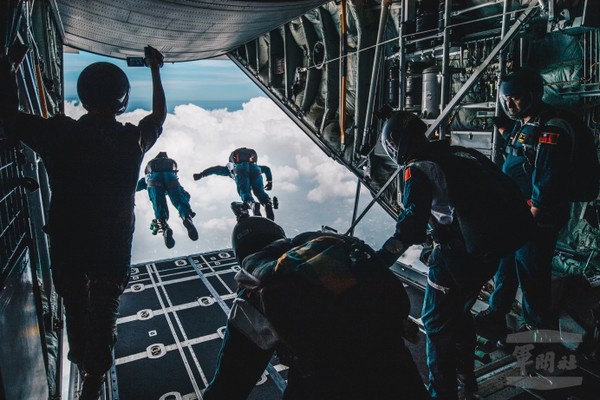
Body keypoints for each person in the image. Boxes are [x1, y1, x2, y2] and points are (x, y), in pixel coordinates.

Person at [1, 47, 166, 400]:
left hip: (70, 243)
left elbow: (8, 116)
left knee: (75, 305)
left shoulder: (58, 134)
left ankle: (87, 366)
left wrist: (10, 69)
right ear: (121, 104)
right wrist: (155, 70)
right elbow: (158, 116)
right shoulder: (131, 140)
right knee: (102, 305)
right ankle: (93, 375)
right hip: (111, 246)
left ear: (84, 96)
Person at [377, 111, 531, 400]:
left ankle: (442, 394)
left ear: (396, 144)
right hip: (487, 255)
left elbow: (410, 228)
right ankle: (467, 382)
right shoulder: (460, 154)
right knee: (458, 315)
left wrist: (381, 259)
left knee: (436, 325)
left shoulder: (419, 169)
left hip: (455, 260)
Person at [203, 207, 429, 400]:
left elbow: (232, 379)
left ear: (241, 255)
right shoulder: (333, 247)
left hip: (327, 382)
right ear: (278, 233)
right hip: (393, 362)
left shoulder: (254, 285)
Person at [475, 68, 574, 333]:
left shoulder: (551, 126)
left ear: (534, 94)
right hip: (517, 213)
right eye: (506, 99)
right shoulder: (526, 124)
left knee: (532, 274)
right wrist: (506, 130)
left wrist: (535, 214)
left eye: (516, 98)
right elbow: (523, 153)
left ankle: (535, 329)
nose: (509, 104)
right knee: (505, 264)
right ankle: (496, 312)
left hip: (536, 216)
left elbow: (547, 174)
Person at [194, 147, 276, 220]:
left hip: (240, 170)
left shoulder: (230, 169)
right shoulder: (256, 166)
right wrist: (270, 181)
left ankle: (251, 203)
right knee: (259, 192)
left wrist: (201, 174)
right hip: (256, 169)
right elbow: (267, 169)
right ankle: (267, 203)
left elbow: (215, 169)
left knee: (244, 191)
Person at [136, 151, 198, 249]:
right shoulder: (170, 169)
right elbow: (185, 195)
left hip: (153, 180)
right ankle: (187, 218)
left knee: (159, 205)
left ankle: (164, 226)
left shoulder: (147, 177)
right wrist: (186, 204)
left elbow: (133, 187)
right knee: (180, 201)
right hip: (171, 178)